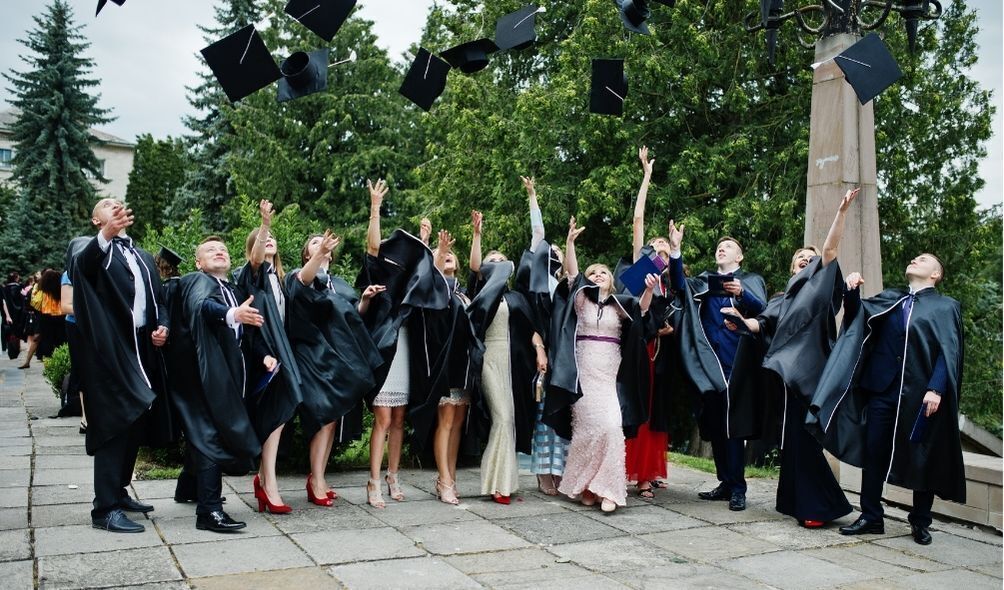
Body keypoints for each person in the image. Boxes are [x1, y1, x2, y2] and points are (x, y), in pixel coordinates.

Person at [724, 188, 860, 528]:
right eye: (800, 256)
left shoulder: (822, 284)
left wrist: (841, 212)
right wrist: (742, 322)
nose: (806, 259)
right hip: (783, 378)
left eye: (810, 257)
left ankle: (820, 508)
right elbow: (762, 323)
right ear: (791, 265)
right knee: (793, 442)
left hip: (812, 372)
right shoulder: (783, 296)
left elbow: (830, 250)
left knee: (804, 440)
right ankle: (800, 504)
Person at [809, 252, 964, 546]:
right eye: (915, 257)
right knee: (874, 451)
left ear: (936, 275)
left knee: (922, 454)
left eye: (925, 259)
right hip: (882, 389)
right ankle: (871, 517)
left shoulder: (945, 307)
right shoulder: (892, 298)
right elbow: (859, 318)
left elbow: (949, 351)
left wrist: (937, 388)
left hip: (921, 394)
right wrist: (851, 291)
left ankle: (920, 521)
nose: (916, 260)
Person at [72, 199, 169, 533]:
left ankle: (119, 490)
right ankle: (105, 509)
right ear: (96, 220)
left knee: (137, 420)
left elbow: (160, 299)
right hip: (111, 349)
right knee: (115, 424)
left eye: (118, 204)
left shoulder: (142, 256)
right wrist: (105, 238)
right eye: (106, 205)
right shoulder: (92, 250)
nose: (115, 207)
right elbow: (82, 268)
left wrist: (163, 327)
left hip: (144, 346)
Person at [547, 217, 656, 513]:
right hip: (582, 370)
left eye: (603, 273)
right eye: (592, 273)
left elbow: (643, 311)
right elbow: (572, 274)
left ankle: (609, 489)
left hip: (610, 374)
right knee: (586, 430)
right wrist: (570, 244)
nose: (596, 276)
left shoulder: (620, 305)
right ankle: (587, 485)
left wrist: (648, 288)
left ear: (611, 280)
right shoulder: (582, 301)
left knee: (610, 426)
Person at [169, 236, 269, 532]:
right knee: (209, 435)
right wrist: (231, 313)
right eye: (211, 250)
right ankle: (209, 511)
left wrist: (264, 356)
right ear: (198, 262)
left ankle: (187, 487)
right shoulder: (197, 281)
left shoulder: (232, 288)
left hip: (223, 372)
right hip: (202, 374)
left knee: (205, 431)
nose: (219, 252)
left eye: (224, 249)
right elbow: (204, 308)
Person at [667, 221, 767, 511]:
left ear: (740, 257)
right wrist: (675, 250)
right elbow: (679, 287)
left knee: (733, 426)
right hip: (706, 363)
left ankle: (738, 488)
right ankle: (725, 481)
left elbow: (763, 309)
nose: (721, 249)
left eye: (728, 247)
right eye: (719, 247)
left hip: (737, 363)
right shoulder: (703, 280)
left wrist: (740, 294)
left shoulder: (750, 279)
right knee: (714, 425)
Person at [286, 230, 384, 508]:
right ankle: (315, 479)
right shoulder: (303, 275)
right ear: (307, 253)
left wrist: (364, 299)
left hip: (340, 359)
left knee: (332, 419)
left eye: (323, 243)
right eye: (314, 243)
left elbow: (353, 317)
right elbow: (301, 287)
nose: (321, 245)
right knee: (323, 417)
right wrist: (318, 255)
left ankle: (319, 477)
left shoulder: (339, 283)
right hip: (314, 356)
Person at [468, 210, 547, 505]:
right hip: (489, 358)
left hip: (515, 364)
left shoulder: (515, 297)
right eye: (493, 261)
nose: (497, 264)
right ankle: (495, 482)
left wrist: (540, 351)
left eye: (502, 261)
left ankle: (506, 483)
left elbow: (531, 329)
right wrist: (477, 235)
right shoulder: (481, 292)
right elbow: (476, 267)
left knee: (511, 420)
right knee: (501, 417)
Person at [235, 200, 303, 514]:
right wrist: (263, 224)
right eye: (264, 238)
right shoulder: (253, 276)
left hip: (282, 353)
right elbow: (256, 261)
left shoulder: (281, 280)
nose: (270, 238)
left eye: (273, 236)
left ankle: (264, 479)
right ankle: (269, 484)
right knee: (273, 419)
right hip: (262, 356)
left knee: (280, 418)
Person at [624, 146, 674, 499]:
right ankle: (636, 474)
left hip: (661, 353)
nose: (658, 249)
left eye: (665, 249)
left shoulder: (671, 284)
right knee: (636, 405)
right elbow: (638, 221)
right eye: (654, 247)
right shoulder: (642, 272)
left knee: (656, 411)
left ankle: (650, 470)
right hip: (636, 348)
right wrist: (646, 177)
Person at [519, 176, 569, 496]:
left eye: (557, 251)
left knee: (561, 410)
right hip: (540, 349)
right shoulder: (536, 281)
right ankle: (542, 472)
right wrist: (533, 195)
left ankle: (561, 468)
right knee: (542, 412)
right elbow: (538, 233)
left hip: (563, 352)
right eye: (549, 250)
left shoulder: (564, 285)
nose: (552, 251)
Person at [35, 268, 66, 359]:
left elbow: (35, 302)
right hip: (61, 315)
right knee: (61, 339)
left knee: (46, 339)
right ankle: (61, 359)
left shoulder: (42, 289)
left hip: (45, 315)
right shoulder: (60, 289)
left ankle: (48, 359)